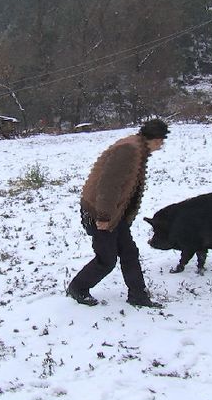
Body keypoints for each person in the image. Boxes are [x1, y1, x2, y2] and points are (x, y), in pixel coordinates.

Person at [66, 119, 168, 307]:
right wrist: (104, 217)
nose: (161, 146)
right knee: (106, 259)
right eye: (160, 142)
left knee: (129, 253)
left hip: (114, 212)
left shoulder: (138, 148)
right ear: (154, 139)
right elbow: (108, 185)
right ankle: (77, 288)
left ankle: (137, 295)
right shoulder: (128, 150)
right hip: (100, 211)